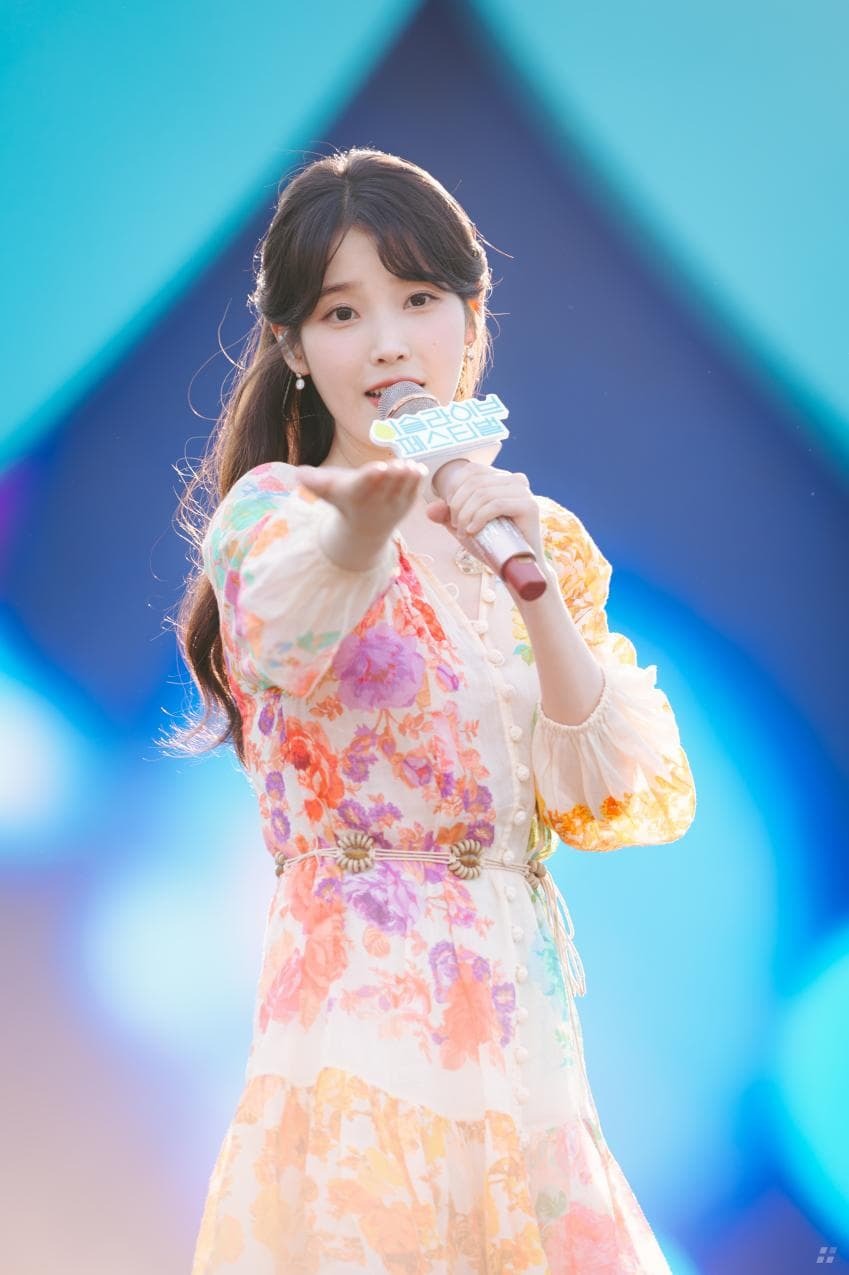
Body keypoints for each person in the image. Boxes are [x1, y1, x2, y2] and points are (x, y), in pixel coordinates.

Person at [169, 146, 697, 1274]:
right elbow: (284, 633)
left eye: (418, 300)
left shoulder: (537, 534)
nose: (388, 343)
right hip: (357, 1034)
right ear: (294, 348)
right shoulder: (278, 514)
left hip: (524, 1051)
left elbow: (605, 795)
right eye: (342, 312)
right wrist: (363, 525)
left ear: (470, 316)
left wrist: (531, 582)